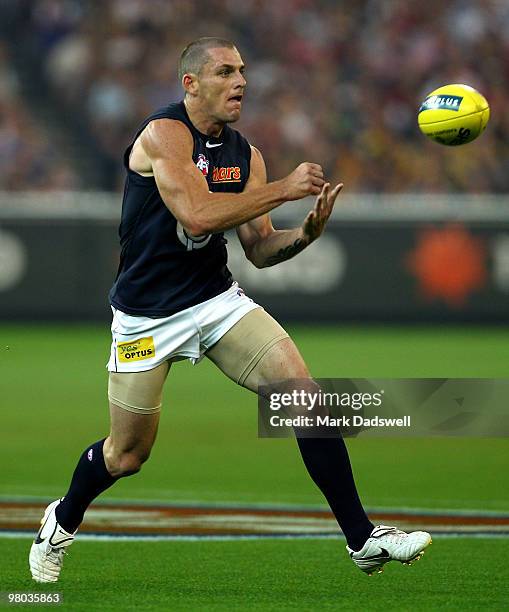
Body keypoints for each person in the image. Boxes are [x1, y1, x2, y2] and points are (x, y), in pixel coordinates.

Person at [29, 37, 431, 583]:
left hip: (215, 303)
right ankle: (61, 520)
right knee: (127, 455)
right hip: (147, 318)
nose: (241, 80)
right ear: (191, 84)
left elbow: (260, 250)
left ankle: (363, 539)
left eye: (242, 70)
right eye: (225, 71)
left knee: (306, 398)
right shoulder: (163, 134)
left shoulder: (247, 154)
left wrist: (305, 236)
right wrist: (287, 189)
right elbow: (195, 216)